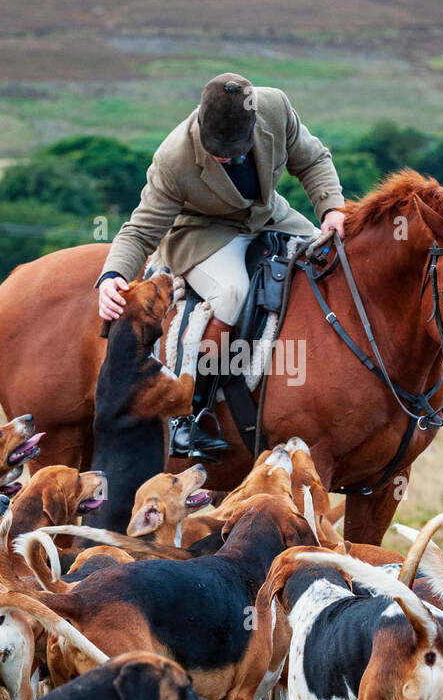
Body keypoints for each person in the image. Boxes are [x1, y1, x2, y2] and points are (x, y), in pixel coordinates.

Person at [97, 72, 346, 460]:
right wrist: (112, 276)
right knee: (232, 293)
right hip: (203, 233)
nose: (225, 158)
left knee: (330, 260)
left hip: (268, 215)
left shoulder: (276, 108)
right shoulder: (173, 158)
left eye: (233, 150)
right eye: (217, 151)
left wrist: (332, 209)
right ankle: (190, 412)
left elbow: (313, 160)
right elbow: (140, 230)